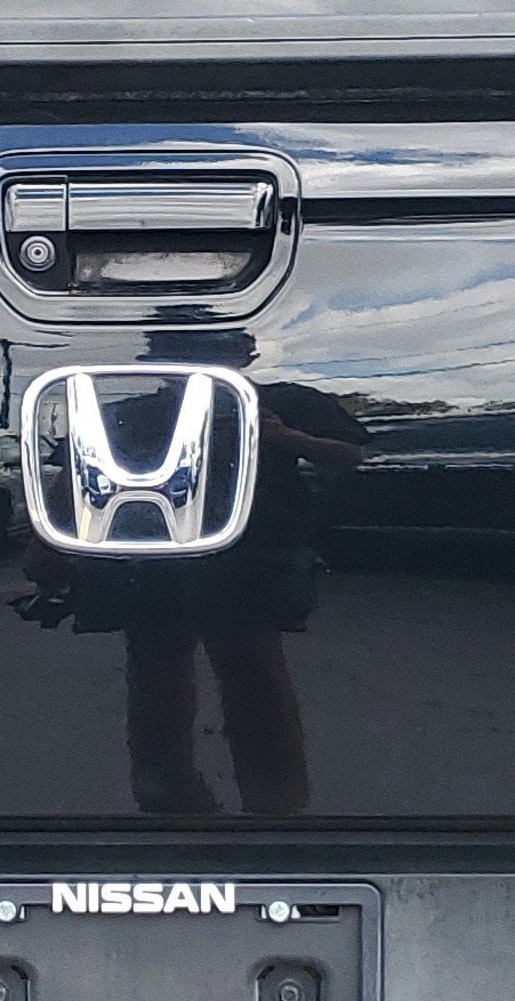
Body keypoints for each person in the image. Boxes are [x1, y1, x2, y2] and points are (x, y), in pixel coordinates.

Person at [19, 330, 367, 816]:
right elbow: (73, 472)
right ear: (158, 358)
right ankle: (167, 792)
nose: (194, 361)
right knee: (157, 672)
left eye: (210, 350)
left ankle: (277, 804)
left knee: (253, 671)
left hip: (251, 555)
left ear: (245, 355)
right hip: (152, 559)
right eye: (178, 351)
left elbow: (356, 456)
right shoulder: (136, 411)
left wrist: (288, 438)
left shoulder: (284, 402)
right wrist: (46, 548)